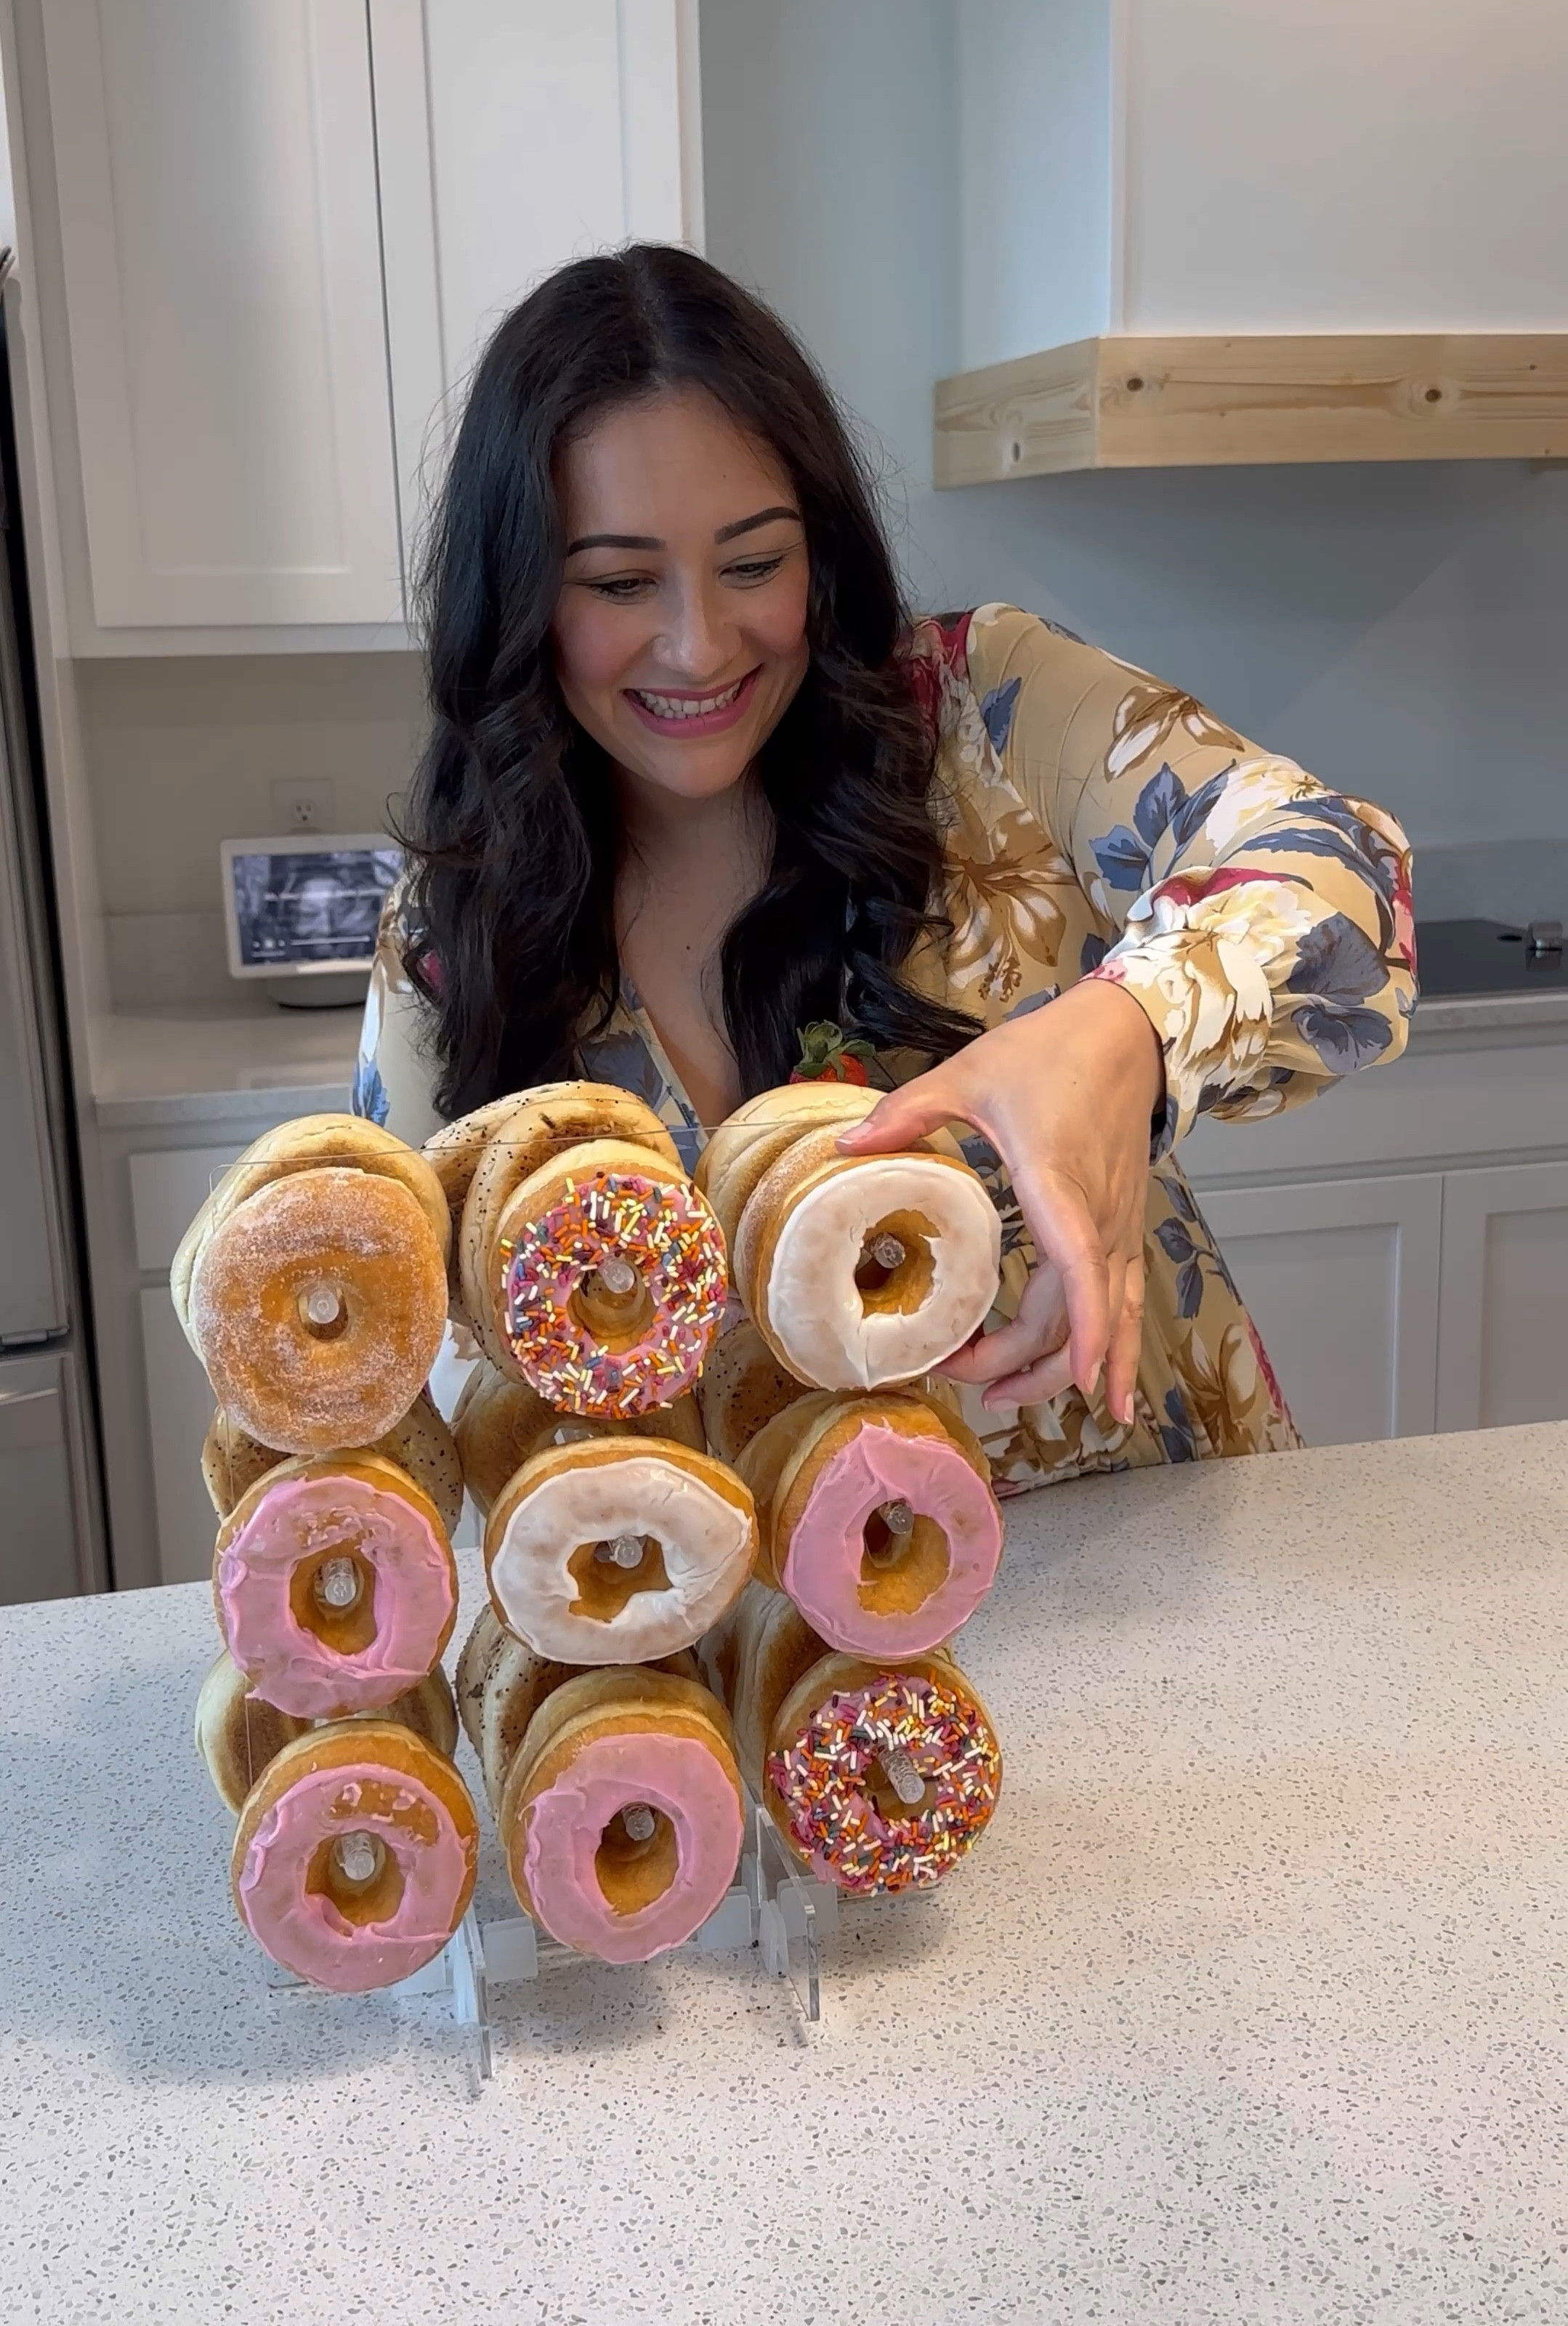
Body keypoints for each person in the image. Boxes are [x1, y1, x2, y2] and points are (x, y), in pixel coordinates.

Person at [355, 245, 1415, 1491]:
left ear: (822, 547)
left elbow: (1347, 875)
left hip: (1143, 1556)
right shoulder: (455, 935)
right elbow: (425, 1391)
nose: (698, 645)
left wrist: (1122, 1033)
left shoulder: (989, 715)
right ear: (520, 595)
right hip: (754, 1656)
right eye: (620, 582)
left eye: (754, 563)